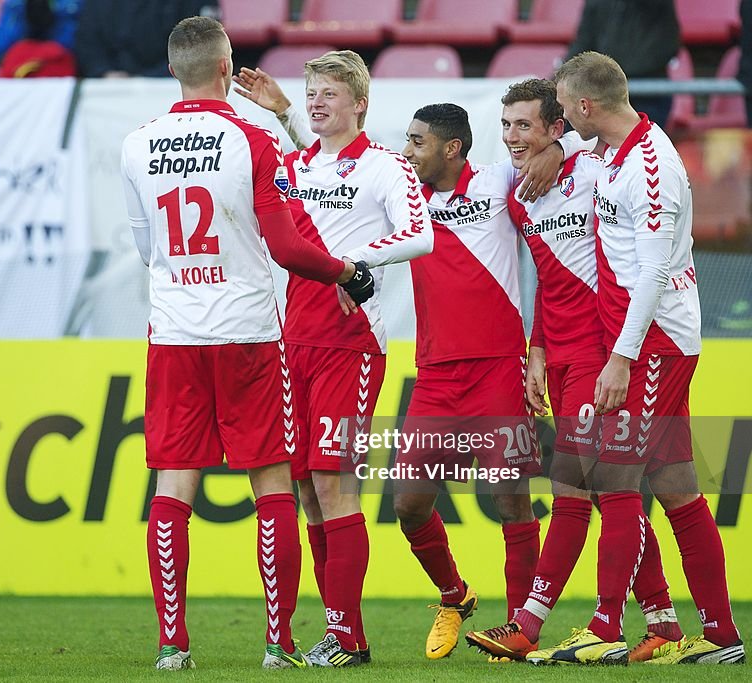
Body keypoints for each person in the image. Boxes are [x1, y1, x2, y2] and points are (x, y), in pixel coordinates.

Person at [253, 78, 568, 659]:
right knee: (408, 504)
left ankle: (526, 631)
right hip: (436, 375)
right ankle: (455, 594)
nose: (407, 152)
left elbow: (557, 156)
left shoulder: (498, 183)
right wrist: (290, 116)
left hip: (499, 366)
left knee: (511, 499)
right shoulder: (404, 195)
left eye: (417, 143)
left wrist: (557, 145)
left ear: (451, 148)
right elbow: (331, 178)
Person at [120, 17, 373, 671]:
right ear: (228, 71)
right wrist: (347, 271)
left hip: (174, 330)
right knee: (271, 484)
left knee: (174, 484)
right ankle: (277, 644)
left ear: (174, 70)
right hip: (250, 334)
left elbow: (146, 247)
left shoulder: (137, 144)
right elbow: (289, 247)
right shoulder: (252, 140)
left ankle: (173, 646)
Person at [531, 51, 744, 665]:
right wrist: (557, 150)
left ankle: (604, 627)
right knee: (676, 487)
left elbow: (652, 269)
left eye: (567, 111)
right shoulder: (612, 151)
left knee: (614, 480)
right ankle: (722, 637)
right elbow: (583, 151)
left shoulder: (652, 167)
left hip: (653, 341)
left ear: (587, 106)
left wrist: (621, 358)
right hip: (646, 338)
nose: (563, 121)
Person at [464, 79, 684, 662]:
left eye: (526, 125)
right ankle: (661, 620)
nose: (513, 137)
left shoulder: (593, 170)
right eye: (506, 125)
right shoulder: (518, 198)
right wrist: (536, 349)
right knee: (597, 490)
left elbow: (609, 151)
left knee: (587, 491)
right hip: (557, 357)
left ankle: (536, 624)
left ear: (557, 127)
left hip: (599, 354)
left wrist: (564, 152)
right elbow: (546, 277)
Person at [234, 50, 434, 667]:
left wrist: (359, 266)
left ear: (360, 103)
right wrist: (286, 114)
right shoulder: (295, 165)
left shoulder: (386, 167)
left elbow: (420, 234)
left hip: (352, 346)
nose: (318, 101)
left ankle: (346, 636)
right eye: (311, 91)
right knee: (307, 490)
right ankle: (342, 633)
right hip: (295, 339)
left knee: (334, 483)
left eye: (329, 93)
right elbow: (305, 203)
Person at [566, 0, 680, 129]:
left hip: (648, 90)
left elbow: (668, 42)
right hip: (605, 85)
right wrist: (562, 77)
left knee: (643, 141)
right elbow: (584, 41)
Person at [77, 0, 220, 78]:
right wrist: (104, 72)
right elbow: (86, 40)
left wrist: (147, 78)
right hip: (108, 88)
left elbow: (199, 43)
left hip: (171, 86)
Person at [0, 0, 80, 66]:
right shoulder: (17, 5)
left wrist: (54, 15)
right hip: (23, 76)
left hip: (66, 71)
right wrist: (26, 15)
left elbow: (83, 48)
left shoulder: (72, 5)